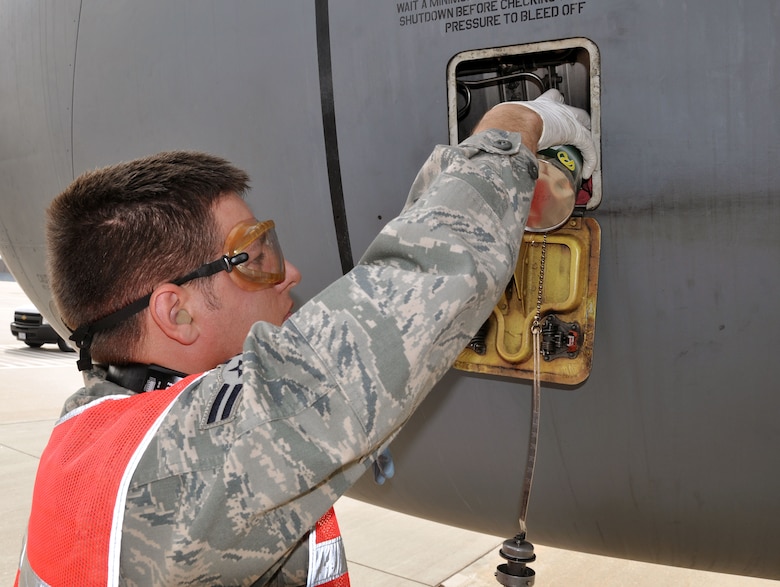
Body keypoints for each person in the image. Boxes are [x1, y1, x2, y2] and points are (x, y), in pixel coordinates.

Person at [15, 90, 595, 586]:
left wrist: (442, 189)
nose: (290, 274)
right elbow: (410, 297)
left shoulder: (101, 437)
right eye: (258, 256)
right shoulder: (174, 474)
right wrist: (512, 128)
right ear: (178, 313)